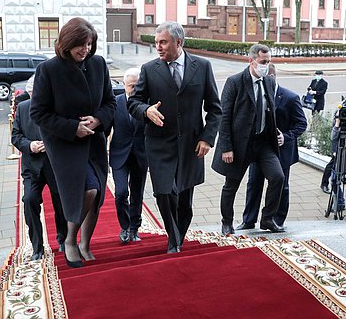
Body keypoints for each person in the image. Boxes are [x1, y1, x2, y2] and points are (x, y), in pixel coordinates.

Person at [128, 21, 221, 253]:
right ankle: (173, 240)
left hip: (191, 145)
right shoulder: (150, 69)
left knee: (184, 201)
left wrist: (207, 138)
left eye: (163, 42)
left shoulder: (203, 66)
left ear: (178, 42)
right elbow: (133, 103)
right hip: (159, 143)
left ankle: (177, 238)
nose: (157, 47)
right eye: (156, 42)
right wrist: (146, 111)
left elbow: (215, 108)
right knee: (164, 192)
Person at [30, 17, 116, 268]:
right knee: (87, 189)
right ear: (66, 43)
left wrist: (97, 120)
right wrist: (72, 128)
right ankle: (70, 240)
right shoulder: (49, 70)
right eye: (81, 44)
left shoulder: (98, 64)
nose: (86, 49)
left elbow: (110, 102)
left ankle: (85, 244)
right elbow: (38, 113)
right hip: (65, 145)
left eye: (89, 44)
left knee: (97, 192)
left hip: (94, 141)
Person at [212, 44, 285, 235]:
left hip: (263, 143)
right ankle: (226, 222)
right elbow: (224, 116)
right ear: (251, 61)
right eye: (263, 62)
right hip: (239, 145)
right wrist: (226, 147)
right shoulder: (234, 82)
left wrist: (276, 132)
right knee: (231, 186)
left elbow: (269, 110)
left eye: (269, 62)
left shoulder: (268, 81)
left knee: (278, 177)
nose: (266, 66)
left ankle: (267, 219)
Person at [237, 63, 307, 231]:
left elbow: (301, 124)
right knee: (254, 183)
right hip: (259, 148)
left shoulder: (290, 97)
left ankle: (276, 219)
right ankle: (248, 220)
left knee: (281, 185)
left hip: (282, 151)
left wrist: (286, 136)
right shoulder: (257, 94)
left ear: (272, 77)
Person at [12, 75, 68, 260]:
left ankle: (63, 239)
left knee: (60, 202)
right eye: (33, 94)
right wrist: (29, 145)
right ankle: (37, 247)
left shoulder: (56, 108)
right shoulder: (22, 108)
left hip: (55, 164)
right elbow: (16, 136)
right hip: (32, 166)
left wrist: (51, 143)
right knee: (29, 201)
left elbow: (66, 131)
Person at [109, 68, 148, 243]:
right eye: (131, 85)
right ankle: (124, 226)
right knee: (121, 192)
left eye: (137, 85)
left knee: (137, 193)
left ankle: (134, 228)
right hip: (119, 154)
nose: (134, 89)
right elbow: (105, 129)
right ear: (124, 85)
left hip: (141, 154)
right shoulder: (115, 103)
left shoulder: (147, 104)